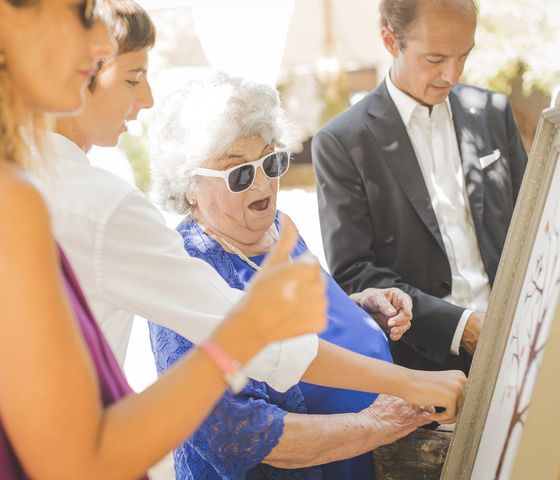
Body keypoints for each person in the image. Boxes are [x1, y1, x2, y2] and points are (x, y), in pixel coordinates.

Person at [0, 1, 331, 478]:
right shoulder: (1, 199)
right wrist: (243, 332)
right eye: (80, 10)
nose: (99, 43)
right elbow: (81, 460)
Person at [40, 3, 466, 424]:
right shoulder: (108, 210)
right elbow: (254, 348)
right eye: (134, 77)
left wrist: (358, 312)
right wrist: (407, 385)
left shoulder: (23, 179)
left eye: (272, 163)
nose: (147, 98)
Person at [146, 72, 458, 479]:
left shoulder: (278, 227)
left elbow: (311, 324)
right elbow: (236, 434)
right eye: (238, 173)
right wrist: (375, 425)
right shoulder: (184, 273)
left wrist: (363, 308)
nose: (262, 184)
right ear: (189, 186)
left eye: (271, 161)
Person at [312, 0, 528, 373]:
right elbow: (355, 272)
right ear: (390, 42)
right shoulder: (342, 142)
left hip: (523, 338)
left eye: (464, 56)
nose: (453, 74)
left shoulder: (493, 112)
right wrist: (462, 327)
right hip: (423, 364)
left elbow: (532, 225)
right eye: (435, 59)